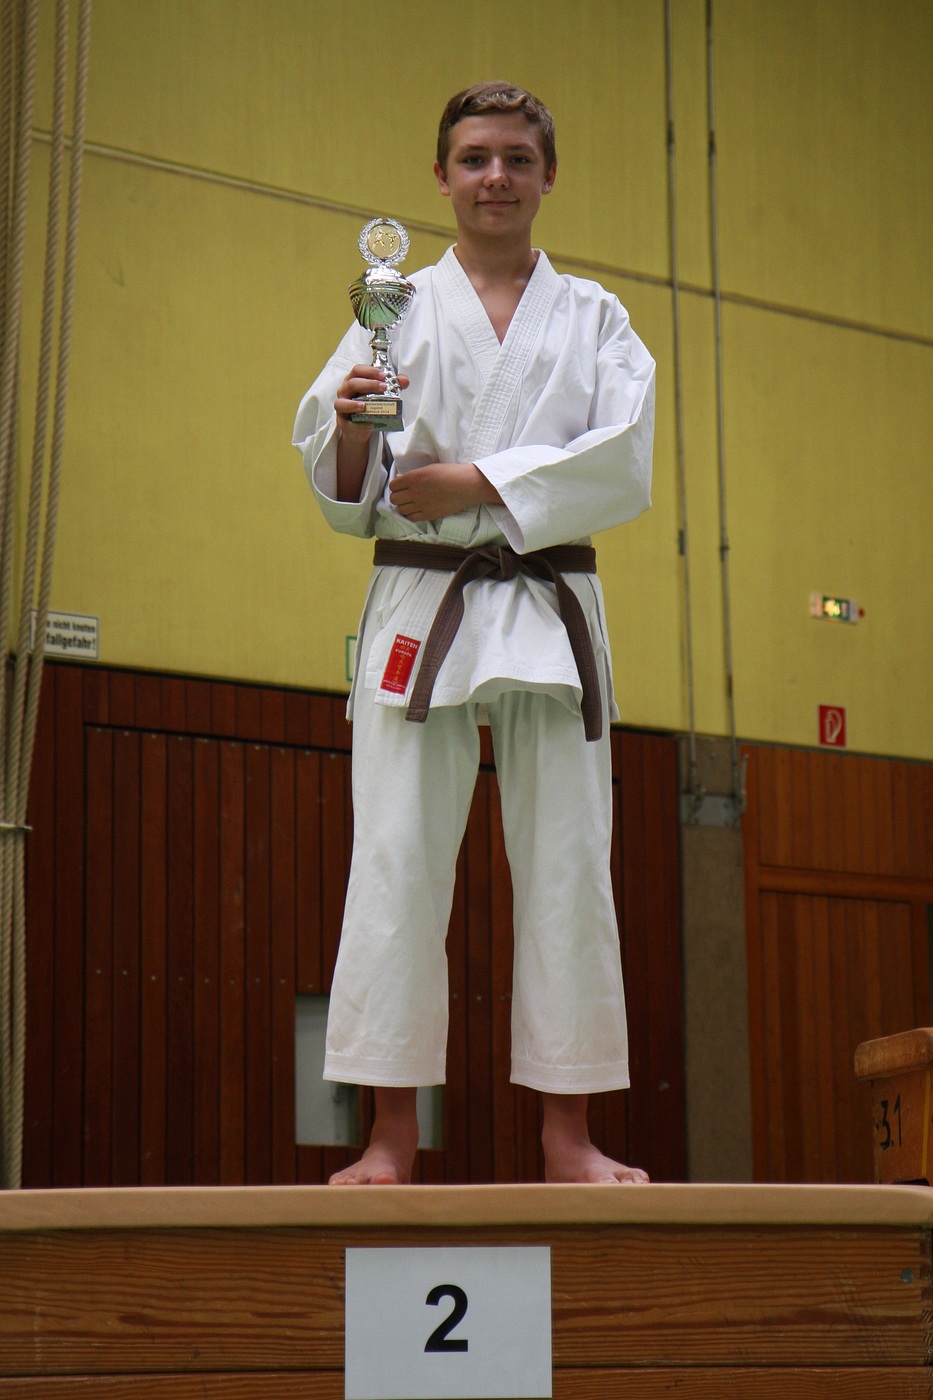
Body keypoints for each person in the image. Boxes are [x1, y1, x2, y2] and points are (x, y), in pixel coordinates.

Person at [293, 81, 655, 1185]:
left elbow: (622, 459)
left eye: (516, 158)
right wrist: (351, 433)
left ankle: (567, 1136)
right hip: (424, 596)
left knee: (569, 864)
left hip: (548, 600)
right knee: (395, 860)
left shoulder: (595, 317)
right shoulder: (391, 308)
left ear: (549, 176)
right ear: (442, 177)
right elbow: (345, 484)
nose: (495, 176)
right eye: (474, 158)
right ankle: (389, 1138)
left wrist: (479, 480)